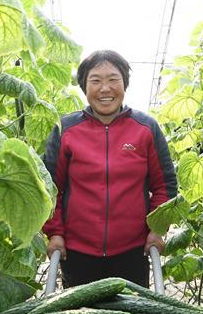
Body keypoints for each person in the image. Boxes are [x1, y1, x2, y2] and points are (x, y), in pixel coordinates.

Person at [42, 50, 178, 288]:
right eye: (95, 80)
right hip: (78, 253)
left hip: (132, 253)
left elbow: (164, 185)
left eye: (113, 79)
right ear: (85, 87)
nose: (105, 88)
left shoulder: (145, 128)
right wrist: (55, 233)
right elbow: (50, 187)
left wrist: (157, 229)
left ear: (124, 84)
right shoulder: (66, 130)